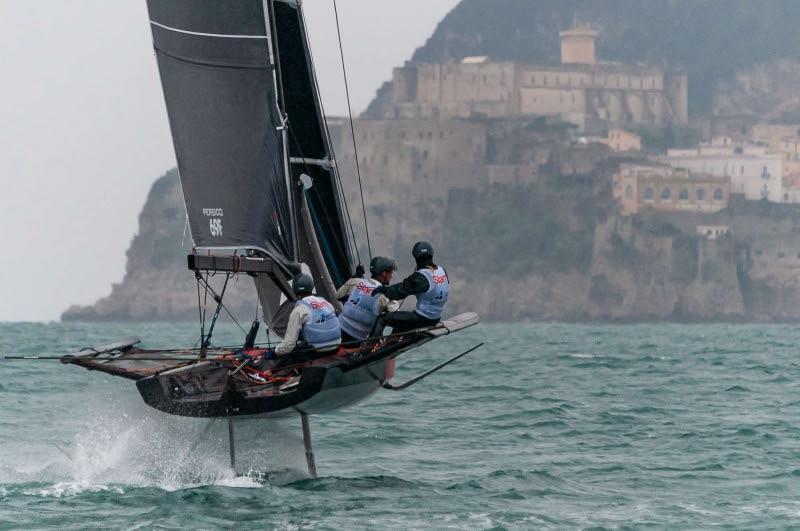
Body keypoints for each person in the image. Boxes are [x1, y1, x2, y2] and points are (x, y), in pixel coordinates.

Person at [373, 241, 449, 334]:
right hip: (436, 317)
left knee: (383, 319)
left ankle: (370, 346)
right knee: (399, 326)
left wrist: (383, 289)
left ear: (416, 257)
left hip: (422, 318)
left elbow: (399, 292)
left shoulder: (422, 276)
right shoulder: (442, 270)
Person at [336, 256, 400, 344]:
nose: (391, 276)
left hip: (337, 331)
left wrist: (355, 277)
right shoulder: (385, 295)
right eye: (391, 273)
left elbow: (338, 296)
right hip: (356, 340)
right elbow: (397, 317)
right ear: (384, 273)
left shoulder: (355, 282)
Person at [274, 273, 341, 356]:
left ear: (295, 290)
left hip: (318, 351)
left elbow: (288, 346)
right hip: (337, 346)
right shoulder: (326, 302)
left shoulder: (298, 310)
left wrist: (274, 351)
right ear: (311, 286)